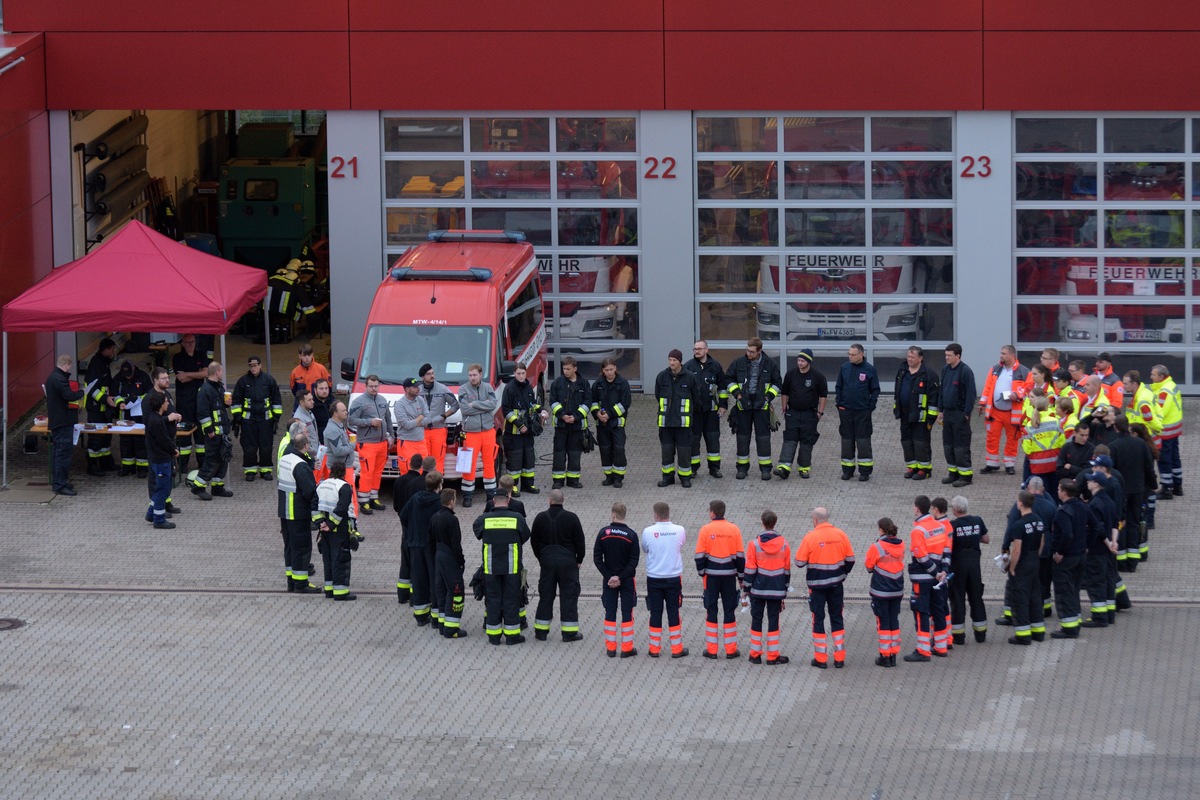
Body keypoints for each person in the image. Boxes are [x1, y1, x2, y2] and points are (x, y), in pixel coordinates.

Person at [794, 507, 856, 669]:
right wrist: (842, 574)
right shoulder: (840, 534)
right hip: (836, 585)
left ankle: (821, 659)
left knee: (818, 619)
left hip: (817, 587)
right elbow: (850, 560)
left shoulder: (810, 537)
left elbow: (799, 563)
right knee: (837, 617)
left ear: (815, 520)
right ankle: (839, 658)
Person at [473, 487, 532, 645]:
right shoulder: (517, 518)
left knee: (493, 599)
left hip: (491, 567)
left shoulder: (484, 519)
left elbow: (476, 532)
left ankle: (494, 636)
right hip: (512, 568)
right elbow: (525, 535)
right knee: (511, 600)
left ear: (493, 501)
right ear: (508, 500)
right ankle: (512, 636)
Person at [530, 489, 587, 642]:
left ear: (549, 500)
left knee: (546, 595)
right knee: (569, 595)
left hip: (547, 561)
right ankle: (569, 633)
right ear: (564, 500)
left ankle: (541, 632)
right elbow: (580, 541)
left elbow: (534, 541)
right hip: (568, 562)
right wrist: (579, 559)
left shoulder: (540, 518)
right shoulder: (572, 518)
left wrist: (541, 557)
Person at [725, 337, 782, 481]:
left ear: (759, 351)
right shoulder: (739, 362)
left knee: (763, 438)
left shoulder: (770, 364)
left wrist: (768, 397)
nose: (748, 354)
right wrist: (737, 394)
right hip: (743, 406)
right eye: (747, 350)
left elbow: (777, 383)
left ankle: (765, 469)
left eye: (751, 352)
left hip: (761, 407)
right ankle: (742, 469)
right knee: (742, 438)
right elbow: (728, 379)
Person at [694, 499, 745, 659]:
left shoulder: (705, 529)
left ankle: (712, 650)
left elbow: (699, 556)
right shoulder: (734, 529)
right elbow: (740, 557)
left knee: (711, 610)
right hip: (729, 577)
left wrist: (702, 572)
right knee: (729, 610)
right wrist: (741, 577)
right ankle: (731, 650)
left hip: (711, 577)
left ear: (712, 513)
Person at [1106, 417, 1157, 571]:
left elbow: (1111, 471)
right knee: (1135, 522)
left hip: (1122, 492)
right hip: (1138, 490)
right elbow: (1149, 466)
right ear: (1127, 427)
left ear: (1116, 428)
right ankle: (1133, 562)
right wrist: (1153, 485)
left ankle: (1121, 561)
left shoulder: (1113, 446)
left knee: (1121, 524)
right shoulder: (1141, 444)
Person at [641, 501, 688, 658]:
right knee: (673, 611)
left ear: (655, 514)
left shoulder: (648, 531)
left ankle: (654, 649)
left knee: (655, 611)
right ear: (668, 513)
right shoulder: (679, 530)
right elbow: (680, 546)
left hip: (654, 577)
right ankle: (676, 649)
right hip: (674, 577)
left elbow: (645, 549)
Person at [903, 496, 947, 663]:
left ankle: (923, 650)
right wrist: (942, 572)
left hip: (923, 579)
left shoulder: (918, 531)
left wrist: (935, 572)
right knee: (938, 609)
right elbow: (944, 552)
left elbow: (921, 556)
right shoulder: (940, 526)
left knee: (921, 612)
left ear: (917, 509)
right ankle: (941, 647)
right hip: (938, 577)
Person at [594, 502, 640, 657]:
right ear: (624, 515)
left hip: (609, 581)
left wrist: (609, 576)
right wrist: (620, 577)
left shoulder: (603, 533)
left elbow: (597, 558)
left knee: (610, 611)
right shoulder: (632, 535)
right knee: (627, 612)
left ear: (613, 514)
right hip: (626, 580)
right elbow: (634, 561)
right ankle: (627, 649)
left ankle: (611, 648)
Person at [774, 348, 827, 480]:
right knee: (789, 439)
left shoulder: (818, 377)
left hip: (810, 414)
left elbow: (823, 396)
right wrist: (784, 407)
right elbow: (784, 392)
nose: (799, 363)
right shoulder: (791, 374)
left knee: (806, 441)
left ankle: (804, 468)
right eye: (798, 360)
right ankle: (784, 467)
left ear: (809, 361)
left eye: (802, 361)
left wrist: (820, 413)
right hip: (793, 413)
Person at [1049, 479, 1093, 639]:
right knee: (1074, 590)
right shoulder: (1083, 506)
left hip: (1066, 558)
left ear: (1064, 492)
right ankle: (1076, 622)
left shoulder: (1063, 511)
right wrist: (1086, 544)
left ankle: (1069, 628)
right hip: (1080, 556)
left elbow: (1067, 534)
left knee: (1064, 592)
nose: (1058, 491)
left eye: (1059, 489)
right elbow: (1095, 526)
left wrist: (1060, 551)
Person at [400, 471, 444, 628]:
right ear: (439, 485)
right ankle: (436, 617)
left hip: (415, 544)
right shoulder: (439, 502)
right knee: (434, 580)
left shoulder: (415, 498)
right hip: (431, 547)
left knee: (418, 579)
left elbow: (403, 516)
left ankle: (420, 616)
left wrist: (412, 530)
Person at [278, 424, 318, 592]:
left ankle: (291, 582)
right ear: (306, 446)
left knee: (290, 548)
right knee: (302, 548)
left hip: (285, 512)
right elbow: (310, 491)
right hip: (298, 513)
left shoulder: (285, 459)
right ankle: (301, 583)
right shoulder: (300, 466)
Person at [979, 344, 1029, 475]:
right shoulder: (995, 369)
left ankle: (1009, 464)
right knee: (991, 437)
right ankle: (992, 463)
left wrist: (1017, 395)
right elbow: (988, 387)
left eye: (1004, 354)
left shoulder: (1024, 372)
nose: (1001, 356)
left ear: (1012, 355)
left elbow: (1027, 390)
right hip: (995, 411)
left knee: (1012, 439)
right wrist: (982, 403)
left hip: (1013, 413)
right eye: (1000, 353)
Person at [230, 356, 283, 482]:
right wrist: (237, 418)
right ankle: (250, 470)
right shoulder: (243, 381)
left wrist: (276, 417)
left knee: (266, 445)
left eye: (255, 365)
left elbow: (276, 399)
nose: (253, 368)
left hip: (265, 419)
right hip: (248, 420)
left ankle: (266, 470)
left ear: (260, 365)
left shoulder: (269, 380)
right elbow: (236, 400)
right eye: (251, 366)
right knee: (249, 446)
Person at [1005, 490, 1047, 645]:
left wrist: (1012, 567)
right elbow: (1042, 542)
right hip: (1035, 559)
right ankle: (1038, 631)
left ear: (1020, 503)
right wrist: (1036, 556)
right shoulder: (1039, 520)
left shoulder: (1019, 525)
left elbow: (1017, 550)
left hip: (1023, 563)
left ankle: (1023, 634)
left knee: (1020, 599)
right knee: (1035, 596)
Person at [316, 453, 360, 601]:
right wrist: (331, 525)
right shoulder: (344, 487)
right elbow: (341, 508)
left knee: (327, 559)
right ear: (343, 473)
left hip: (324, 530)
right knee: (340, 559)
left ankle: (329, 590)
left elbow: (314, 506)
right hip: (338, 530)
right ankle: (340, 593)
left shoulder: (321, 485)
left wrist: (321, 523)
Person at [834, 343, 880, 482]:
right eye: (849, 354)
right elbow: (839, 386)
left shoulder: (869, 370)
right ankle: (847, 470)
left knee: (863, 441)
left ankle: (864, 471)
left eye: (853, 354)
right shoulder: (844, 368)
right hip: (846, 411)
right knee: (847, 441)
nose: (850, 357)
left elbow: (875, 390)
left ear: (861, 354)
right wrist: (839, 403)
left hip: (862, 412)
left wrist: (869, 407)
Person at [348, 374, 395, 512]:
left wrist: (391, 435)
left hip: (382, 443)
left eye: (376, 386)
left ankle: (374, 498)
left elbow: (388, 420)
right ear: (366, 386)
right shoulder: (358, 402)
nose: (374, 389)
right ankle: (363, 501)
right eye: (371, 386)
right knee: (367, 472)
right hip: (367, 443)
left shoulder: (382, 400)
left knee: (377, 472)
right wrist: (369, 422)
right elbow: (351, 420)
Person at [654, 349, 700, 487]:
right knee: (667, 452)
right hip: (666, 423)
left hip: (683, 423)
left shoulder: (690, 377)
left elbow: (696, 398)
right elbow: (658, 395)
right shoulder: (662, 376)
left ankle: (685, 478)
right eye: (670, 360)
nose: (671, 363)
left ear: (680, 361)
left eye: (674, 360)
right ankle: (668, 477)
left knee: (684, 452)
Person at [893, 345, 940, 481]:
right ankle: (912, 466)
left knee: (921, 443)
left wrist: (931, 417)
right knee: (907, 442)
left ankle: (924, 469)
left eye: (913, 357)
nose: (910, 359)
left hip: (921, 416)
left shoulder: (929, 374)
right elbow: (897, 391)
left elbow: (933, 397)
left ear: (921, 358)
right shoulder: (902, 371)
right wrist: (897, 409)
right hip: (905, 414)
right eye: (908, 356)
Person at [947, 495, 989, 644]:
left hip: (958, 567)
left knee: (957, 599)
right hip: (974, 567)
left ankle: (958, 636)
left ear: (956, 510)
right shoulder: (977, 520)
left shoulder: (952, 525)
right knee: (976, 599)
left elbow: (948, 546)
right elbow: (986, 539)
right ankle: (981, 634)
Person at [1081, 470, 1119, 628]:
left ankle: (1099, 617)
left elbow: (1099, 528)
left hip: (1097, 550)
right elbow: (1115, 524)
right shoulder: (1109, 501)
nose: (1088, 482)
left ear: (1096, 484)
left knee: (1096, 582)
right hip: (1109, 551)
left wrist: (1106, 543)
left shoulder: (1095, 504)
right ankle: (1109, 614)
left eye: (1090, 481)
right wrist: (1114, 542)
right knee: (1109, 581)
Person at [865, 517, 905, 667]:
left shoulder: (877, 546)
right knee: (894, 620)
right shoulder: (901, 544)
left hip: (881, 590)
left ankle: (885, 656)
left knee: (883, 622)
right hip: (897, 589)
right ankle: (894, 654)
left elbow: (869, 567)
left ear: (881, 530)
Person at [684, 339, 728, 479]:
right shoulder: (688, 367)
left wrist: (722, 405)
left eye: (699, 349)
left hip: (711, 411)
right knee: (694, 441)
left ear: (706, 350)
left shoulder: (715, 366)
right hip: (695, 412)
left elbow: (722, 387)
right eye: (695, 349)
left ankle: (714, 468)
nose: (697, 351)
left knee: (713, 439)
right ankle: (693, 468)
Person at [458, 363, 500, 508]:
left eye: (475, 375)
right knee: (468, 465)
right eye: (470, 375)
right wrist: (484, 406)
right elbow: (464, 409)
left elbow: (493, 405)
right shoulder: (463, 389)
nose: (472, 378)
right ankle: (467, 496)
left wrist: (474, 404)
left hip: (488, 431)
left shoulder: (488, 387)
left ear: (481, 374)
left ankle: (491, 495)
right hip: (471, 433)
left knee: (489, 463)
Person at [144, 366, 183, 517]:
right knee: (156, 477)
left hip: (168, 440)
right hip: (158, 445)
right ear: (155, 380)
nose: (167, 380)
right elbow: (149, 422)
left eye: (168, 377)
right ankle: (157, 508)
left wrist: (176, 416)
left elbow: (169, 412)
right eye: (163, 378)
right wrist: (168, 418)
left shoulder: (166, 394)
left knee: (168, 475)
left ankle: (166, 502)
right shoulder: (149, 399)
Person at [500, 361, 543, 497]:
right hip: (514, 433)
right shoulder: (509, 388)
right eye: (518, 373)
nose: (521, 376)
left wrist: (541, 411)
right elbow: (506, 410)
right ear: (514, 374)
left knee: (528, 458)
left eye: (523, 373)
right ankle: (512, 486)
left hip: (527, 430)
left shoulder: (528, 386)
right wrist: (519, 424)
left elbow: (533, 404)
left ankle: (528, 484)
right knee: (515, 460)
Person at [191, 362, 233, 501]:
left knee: (222, 460)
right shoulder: (205, 389)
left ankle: (217, 487)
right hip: (213, 433)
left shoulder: (218, 387)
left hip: (221, 431)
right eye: (222, 371)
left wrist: (227, 404)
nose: (223, 374)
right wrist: (210, 430)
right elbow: (202, 413)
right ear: (217, 371)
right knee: (211, 461)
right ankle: (198, 487)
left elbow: (219, 408)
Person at [430, 487, 468, 637]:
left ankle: (442, 624)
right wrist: (461, 561)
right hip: (449, 558)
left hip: (438, 557)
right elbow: (456, 544)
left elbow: (430, 541)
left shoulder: (434, 517)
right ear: (451, 501)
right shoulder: (452, 519)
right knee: (456, 591)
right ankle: (451, 628)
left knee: (441, 591)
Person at [45, 354, 85, 495]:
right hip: (63, 422)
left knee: (58, 453)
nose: (69, 369)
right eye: (69, 366)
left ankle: (59, 482)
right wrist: (82, 392)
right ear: (67, 365)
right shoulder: (59, 379)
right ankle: (60, 485)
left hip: (58, 421)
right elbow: (69, 395)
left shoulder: (52, 377)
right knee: (62, 454)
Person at [171, 335, 210, 476]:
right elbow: (181, 378)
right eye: (187, 343)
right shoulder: (177, 358)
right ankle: (183, 466)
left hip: (199, 401)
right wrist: (197, 374)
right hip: (184, 402)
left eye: (192, 342)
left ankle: (202, 464)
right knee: (184, 437)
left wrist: (188, 374)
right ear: (182, 343)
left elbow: (206, 373)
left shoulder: (201, 355)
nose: (190, 345)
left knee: (201, 435)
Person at [939, 343, 978, 487]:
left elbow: (971, 393)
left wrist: (967, 413)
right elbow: (942, 390)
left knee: (960, 446)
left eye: (949, 355)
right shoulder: (945, 370)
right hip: (948, 414)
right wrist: (940, 410)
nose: (946, 358)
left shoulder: (965, 371)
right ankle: (953, 473)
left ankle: (965, 476)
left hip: (960, 414)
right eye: (946, 355)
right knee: (948, 445)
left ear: (958, 356)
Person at [549, 356, 590, 489]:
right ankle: (558, 480)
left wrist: (576, 417)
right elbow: (553, 402)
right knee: (559, 452)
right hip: (561, 425)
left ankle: (573, 479)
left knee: (574, 452)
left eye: (568, 369)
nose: (565, 371)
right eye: (564, 369)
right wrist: (562, 415)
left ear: (575, 369)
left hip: (577, 426)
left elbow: (587, 403)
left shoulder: (583, 384)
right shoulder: (557, 383)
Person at [590, 358, 631, 487]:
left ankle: (618, 477)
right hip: (602, 424)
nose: (609, 372)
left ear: (615, 368)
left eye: (611, 369)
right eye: (606, 370)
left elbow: (626, 403)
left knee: (618, 449)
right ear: (602, 370)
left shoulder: (622, 383)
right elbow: (593, 402)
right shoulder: (598, 384)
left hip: (617, 423)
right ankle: (608, 476)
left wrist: (610, 414)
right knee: (605, 450)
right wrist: (597, 413)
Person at [109, 358, 152, 477]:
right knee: (125, 441)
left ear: (133, 368)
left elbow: (149, 394)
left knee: (140, 441)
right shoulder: (118, 378)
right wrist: (120, 403)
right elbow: (114, 394)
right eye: (125, 375)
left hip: (140, 414)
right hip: (124, 414)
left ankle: (143, 468)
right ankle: (128, 467)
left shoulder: (143, 377)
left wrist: (136, 399)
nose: (127, 377)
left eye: (129, 374)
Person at [392, 452, 425, 603]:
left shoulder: (399, 481)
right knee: (415, 562)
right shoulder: (419, 482)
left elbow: (396, 505)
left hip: (403, 523)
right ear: (421, 466)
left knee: (404, 560)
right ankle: (413, 594)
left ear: (409, 463)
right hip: (415, 526)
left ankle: (402, 595)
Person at [142, 392, 178, 529]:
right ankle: (159, 519)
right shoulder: (157, 421)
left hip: (157, 458)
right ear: (160, 404)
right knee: (163, 489)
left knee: (159, 488)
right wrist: (173, 451)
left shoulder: (154, 419)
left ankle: (151, 513)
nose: (168, 403)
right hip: (161, 460)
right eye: (166, 402)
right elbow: (164, 441)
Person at [83, 337, 117, 474]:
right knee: (95, 436)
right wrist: (105, 399)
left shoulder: (104, 363)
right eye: (112, 350)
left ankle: (105, 462)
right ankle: (92, 466)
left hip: (104, 408)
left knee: (105, 436)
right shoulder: (96, 364)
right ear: (106, 349)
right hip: (95, 407)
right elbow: (90, 388)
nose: (114, 352)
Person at [1022, 394, 1065, 500]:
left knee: (1040, 495)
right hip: (1054, 463)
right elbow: (1062, 442)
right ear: (1047, 406)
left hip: (1037, 465)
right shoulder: (1056, 422)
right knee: (1054, 493)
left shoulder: (1029, 426)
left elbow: (1027, 449)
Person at [1149, 364, 1183, 499]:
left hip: (1165, 431)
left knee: (1163, 459)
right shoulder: (1171, 385)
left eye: (1153, 375)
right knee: (1175, 458)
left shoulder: (1164, 391)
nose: (1151, 377)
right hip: (1174, 429)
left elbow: (1160, 412)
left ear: (1161, 377)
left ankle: (1166, 488)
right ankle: (1177, 486)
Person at [418, 363, 459, 472]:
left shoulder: (442, 388)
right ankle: (424, 485)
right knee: (423, 460)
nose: (432, 376)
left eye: (433, 373)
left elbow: (456, 405)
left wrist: (444, 415)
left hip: (439, 430)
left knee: (438, 460)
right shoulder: (417, 391)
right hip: (422, 431)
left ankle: (437, 485)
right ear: (422, 377)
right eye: (428, 374)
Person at [393, 376, 430, 475]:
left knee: (424, 470)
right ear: (407, 389)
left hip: (421, 441)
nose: (418, 389)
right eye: (415, 387)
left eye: (418, 386)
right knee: (408, 471)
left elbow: (428, 418)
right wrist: (419, 418)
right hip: (407, 443)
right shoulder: (400, 405)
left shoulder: (421, 400)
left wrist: (417, 422)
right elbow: (406, 425)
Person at [288, 343, 331, 411]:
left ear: (312, 355)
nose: (307, 357)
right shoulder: (295, 372)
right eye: (304, 355)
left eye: (309, 355)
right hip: (301, 405)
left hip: (318, 405)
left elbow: (329, 386)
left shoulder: (321, 369)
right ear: (300, 356)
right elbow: (294, 390)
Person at [292, 390, 319, 458]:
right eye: (309, 400)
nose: (313, 402)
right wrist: (312, 451)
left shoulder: (309, 412)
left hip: (315, 452)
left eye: (312, 399)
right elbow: (300, 441)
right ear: (302, 402)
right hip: (309, 455)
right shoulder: (298, 418)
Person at [311, 378, 334, 446]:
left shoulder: (333, 402)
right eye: (321, 389)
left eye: (326, 388)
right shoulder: (311, 405)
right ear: (315, 390)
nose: (324, 391)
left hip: (333, 440)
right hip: (320, 442)